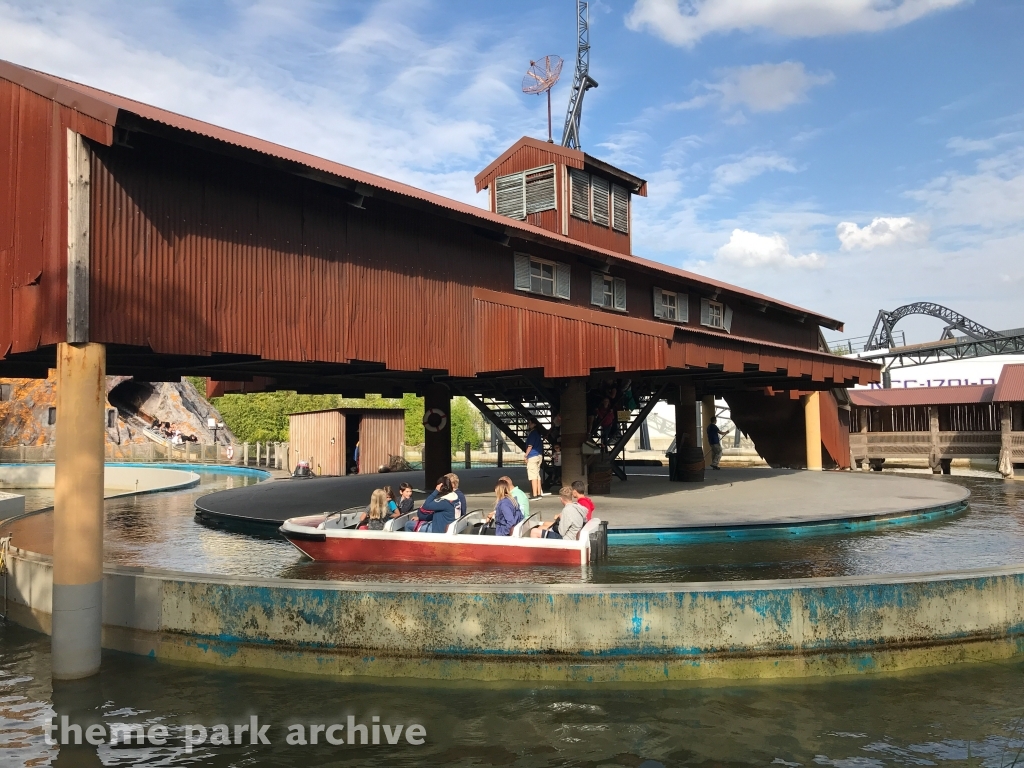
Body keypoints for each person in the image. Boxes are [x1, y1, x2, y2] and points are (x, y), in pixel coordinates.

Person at [524, 418, 545, 500]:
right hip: (539, 455)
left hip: (532, 456)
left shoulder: (532, 434)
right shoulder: (538, 434)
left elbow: (530, 446)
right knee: (537, 475)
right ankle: (539, 492)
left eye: (530, 423)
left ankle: (535, 494)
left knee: (533, 475)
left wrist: (526, 455)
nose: (529, 424)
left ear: (534, 424)